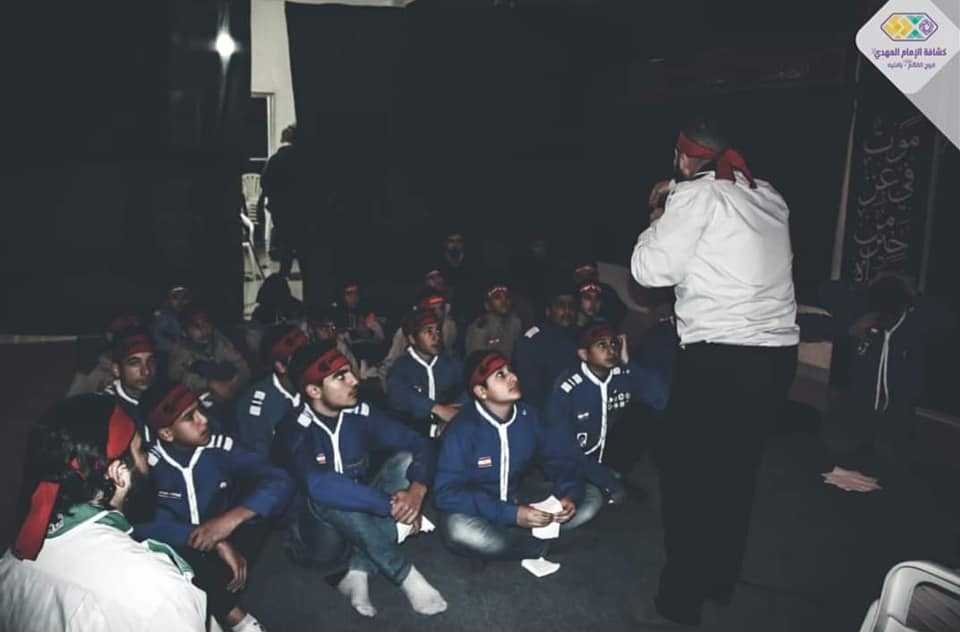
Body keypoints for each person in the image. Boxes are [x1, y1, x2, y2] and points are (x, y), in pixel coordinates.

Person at [629, 117, 799, 628]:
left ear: (684, 158)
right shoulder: (769, 195)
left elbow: (649, 271)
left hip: (720, 358)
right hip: (775, 358)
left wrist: (659, 211)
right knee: (736, 472)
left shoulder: (694, 196)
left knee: (690, 479)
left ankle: (679, 600)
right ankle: (720, 579)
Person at [0, 395, 213, 631]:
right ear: (118, 473)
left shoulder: (11, 561)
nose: (149, 462)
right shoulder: (157, 587)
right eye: (141, 451)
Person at [273, 342, 447, 618]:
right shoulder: (293, 429)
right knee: (329, 494)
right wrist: (390, 505)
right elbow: (319, 485)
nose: (354, 380)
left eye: (349, 372)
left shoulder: (359, 413)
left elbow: (419, 443)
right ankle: (405, 574)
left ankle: (358, 571)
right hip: (316, 541)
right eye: (340, 376)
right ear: (314, 391)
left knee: (405, 460)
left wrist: (416, 491)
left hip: (361, 521)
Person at [136, 382, 294, 632]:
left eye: (200, 409)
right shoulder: (150, 464)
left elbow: (279, 479)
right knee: (173, 554)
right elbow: (141, 524)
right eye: (190, 417)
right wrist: (211, 539)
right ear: (166, 433)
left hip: (227, 538)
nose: (204, 420)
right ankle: (237, 618)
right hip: (177, 550)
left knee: (259, 513)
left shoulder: (219, 448)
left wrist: (231, 519)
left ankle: (211, 606)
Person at [433, 350, 600, 564]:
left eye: (510, 370)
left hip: (518, 495)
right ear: (481, 391)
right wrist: (513, 515)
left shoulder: (529, 417)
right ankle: (540, 545)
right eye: (500, 375)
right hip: (478, 508)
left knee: (592, 496)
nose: (513, 377)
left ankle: (515, 538)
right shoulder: (462, 430)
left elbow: (559, 460)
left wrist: (569, 494)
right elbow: (445, 494)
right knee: (459, 531)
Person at [544, 322, 668, 504]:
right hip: (573, 459)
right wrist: (609, 483)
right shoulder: (568, 387)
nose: (610, 350)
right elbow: (563, 447)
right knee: (589, 506)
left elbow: (660, 399)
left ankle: (611, 478)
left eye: (613, 343)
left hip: (605, 456)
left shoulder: (621, 374)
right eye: (601, 345)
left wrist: (628, 362)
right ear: (584, 354)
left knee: (644, 413)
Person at [234, 324, 310, 458]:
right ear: (280, 367)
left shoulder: (316, 387)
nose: (310, 365)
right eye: (301, 361)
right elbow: (258, 461)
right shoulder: (257, 407)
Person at [386, 310, 465, 437]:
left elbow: (467, 389)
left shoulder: (450, 363)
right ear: (412, 339)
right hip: (411, 433)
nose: (436, 337)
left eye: (437, 331)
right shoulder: (401, 368)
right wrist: (436, 408)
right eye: (428, 331)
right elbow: (399, 394)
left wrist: (456, 408)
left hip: (446, 429)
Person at [512, 282, 579, 409]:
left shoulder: (582, 337)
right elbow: (529, 392)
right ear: (548, 311)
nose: (567, 311)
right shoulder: (533, 340)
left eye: (571, 306)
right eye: (561, 305)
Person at [168, 304, 251, 405]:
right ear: (184, 331)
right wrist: (210, 384)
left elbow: (241, 364)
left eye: (206, 323)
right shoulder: (181, 350)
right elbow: (176, 376)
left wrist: (234, 383)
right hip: (196, 399)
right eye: (197, 326)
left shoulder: (218, 340)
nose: (204, 330)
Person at [381, 289, 459, 384]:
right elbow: (391, 363)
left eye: (441, 308)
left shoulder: (449, 326)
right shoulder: (405, 331)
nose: (438, 313)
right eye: (432, 310)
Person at [260, 124, 302, 279]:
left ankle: (284, 271)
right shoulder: (301, 159)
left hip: (279, 207)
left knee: (285, 240)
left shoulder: (274, 160)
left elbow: (264, 183)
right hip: (298, 205)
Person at [102, 330, 157, 441]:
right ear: (116, 369)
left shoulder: (162, 396)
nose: (146, 371)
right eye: (134, 363)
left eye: (150, 361)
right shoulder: (106, 408)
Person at [465, 282, 523, 357]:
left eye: (507, 297)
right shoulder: (481, 327)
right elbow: (476, 358)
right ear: (487, 305)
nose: (504, 301)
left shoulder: (515, 323)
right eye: (497, 297)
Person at [571, 259, 627, 328]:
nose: (593, 303)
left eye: (591, 274)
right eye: (582, 276)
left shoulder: (609, 293)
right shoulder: (570, 299)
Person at [152, 285, 193, 354]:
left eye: (184, 297)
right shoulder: (164, 315)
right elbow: (157, 336)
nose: (180, 301)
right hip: (167, 353)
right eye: (175, 297)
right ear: (168, 299)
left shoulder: (187, 314)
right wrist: (175, 347)